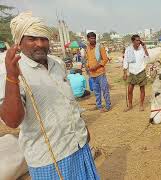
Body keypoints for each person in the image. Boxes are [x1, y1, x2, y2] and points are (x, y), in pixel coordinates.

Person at [0, 12, 99, 179]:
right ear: (19, 42)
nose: (40, 44)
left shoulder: (57, 63)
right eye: (32, 38)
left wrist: (82, 128)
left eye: (43, 38)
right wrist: (12, 77)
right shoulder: (9, 71)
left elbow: (69, 102)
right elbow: (12, 121)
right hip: (50, 158)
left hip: (78, 146)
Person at [85, 32, 111, 113]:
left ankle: (108, 106)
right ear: (88, 39)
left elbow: (105, 59)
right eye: (91, 38)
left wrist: (96, 66)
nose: (92, 40)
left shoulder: (100, 47)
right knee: (96, 92)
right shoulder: (87, 48)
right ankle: (98, 105)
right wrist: (87, 67)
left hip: (100, 73)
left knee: (105, 90)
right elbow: (87, 59)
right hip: (92, 74)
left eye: (94, 38)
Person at [123, 34, 149, 112]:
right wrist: (124, 73)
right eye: (137, 40)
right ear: (133, 41)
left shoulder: (142, 49)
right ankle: (130, 105)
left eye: (139, 40)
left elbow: (148, 58)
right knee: (130, 90)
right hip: (132, 72)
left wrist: (145, 48)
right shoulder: (128, 49)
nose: (139, 42)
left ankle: (141, 105)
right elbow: (125, 61)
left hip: (141, 71)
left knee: (142, 89)